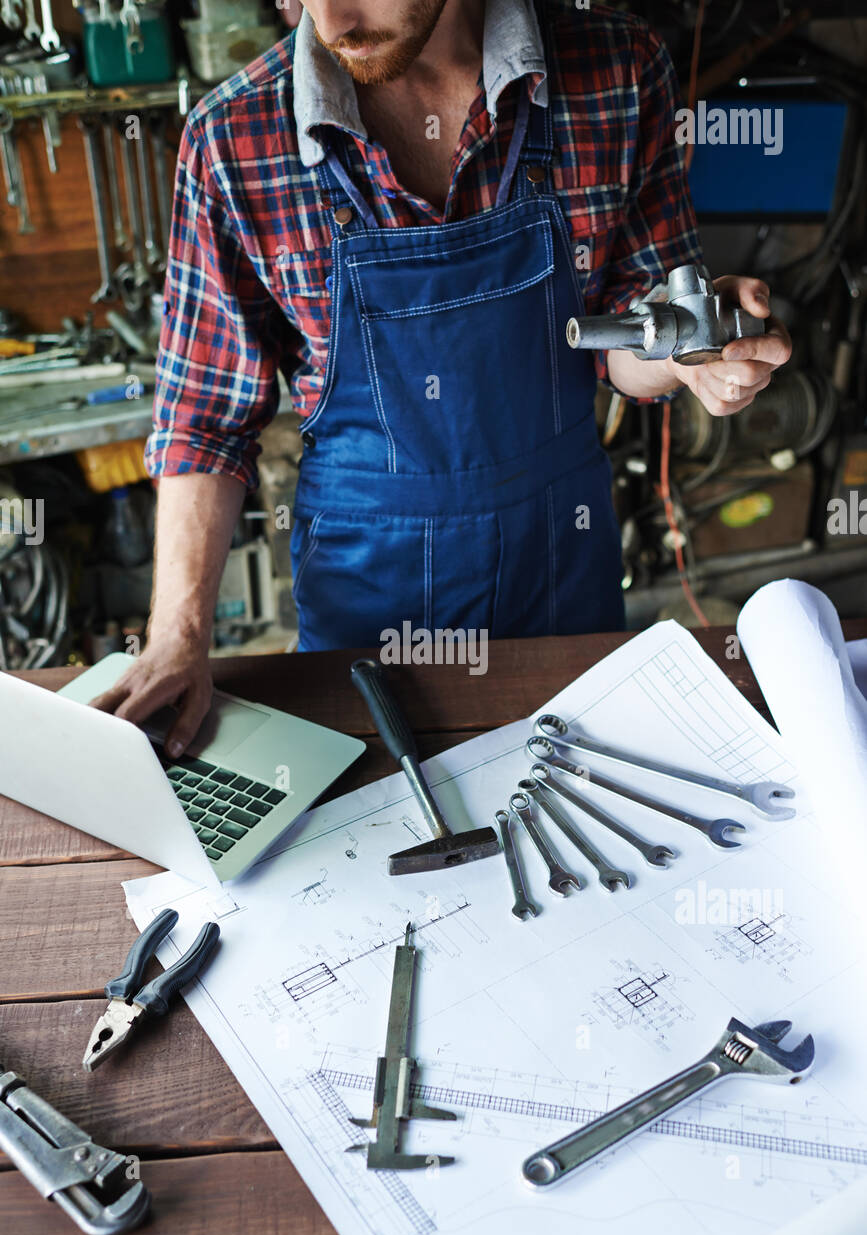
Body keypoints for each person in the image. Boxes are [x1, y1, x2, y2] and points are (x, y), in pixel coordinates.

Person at [93, 0, 792, 756]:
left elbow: (625, 349)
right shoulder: (233, 138)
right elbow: (205, 417)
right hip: (367, 603)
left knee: (594, 813)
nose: (327, 18)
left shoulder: (617, 71)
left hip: (561, 566)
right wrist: (176, 636)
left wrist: (693, 353)